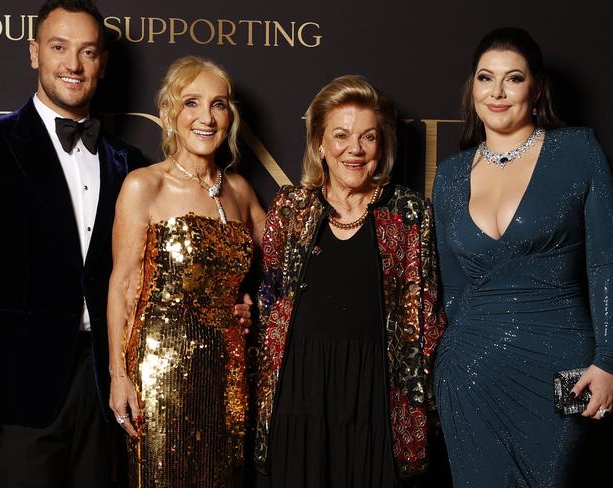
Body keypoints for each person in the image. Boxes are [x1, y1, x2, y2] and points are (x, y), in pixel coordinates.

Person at [0, 0, 147, 486]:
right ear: (33, 53)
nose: (73, 64)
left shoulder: (129, 162)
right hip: (18, 383)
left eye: (88, 52)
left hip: (106, 383)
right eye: (59, 47)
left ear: (103, 64)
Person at [433, 27, 613, 487]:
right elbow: (453, 290)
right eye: (484, 78)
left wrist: (608, 359)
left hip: (562, 365)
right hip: (469, 370)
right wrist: (456, 355)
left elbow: (604, 264)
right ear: (471, 86)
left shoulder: (577, 151)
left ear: (535, 88)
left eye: (512, 79)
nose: (496, 92)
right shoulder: (450, 177)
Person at [252, 75, 445, 488]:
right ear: (319, 142)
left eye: (368, 137)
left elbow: (425, 314)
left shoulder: (409, 213)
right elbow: (269, 304)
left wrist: (421, 405)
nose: (354, 149)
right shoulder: (291, 207)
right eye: (340, 135)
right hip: (299, 392)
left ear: (382, 145)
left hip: (374, 394)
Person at [106, 55, 265, 488]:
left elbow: (279, 272)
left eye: (218, 104)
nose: (206, 117)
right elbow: (122, 285)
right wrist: (119, 377)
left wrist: (250, 303)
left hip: (229, 371)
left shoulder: (240, 191)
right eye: (191, 103)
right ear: (169, 114)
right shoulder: (145, 185)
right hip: (161, 366)